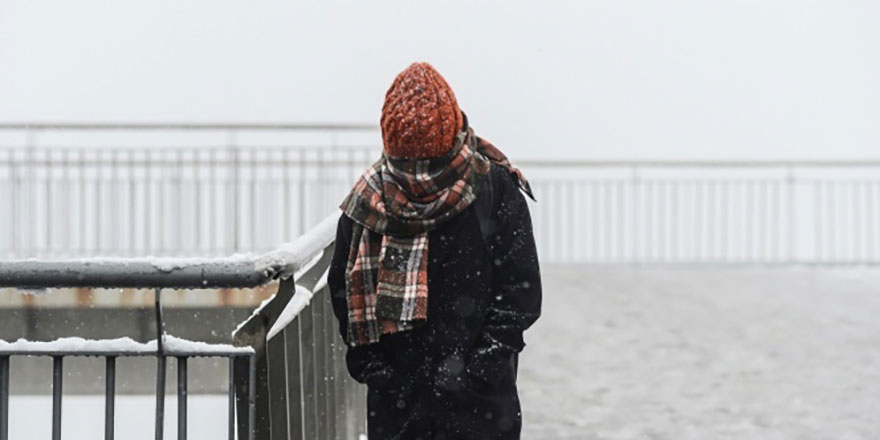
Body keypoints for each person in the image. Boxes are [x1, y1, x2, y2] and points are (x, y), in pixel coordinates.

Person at [328, 62, 542, 440]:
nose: (417, 177)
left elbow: (520, 290)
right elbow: (343, 293)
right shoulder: (368, 201)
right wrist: (380, 372)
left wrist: (477, 369)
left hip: (481, 406)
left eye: (429, 164)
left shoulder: (494, 189)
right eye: (407, 165)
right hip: (399, 407)